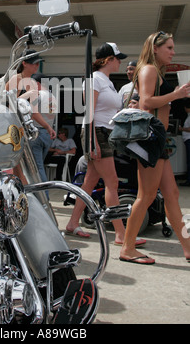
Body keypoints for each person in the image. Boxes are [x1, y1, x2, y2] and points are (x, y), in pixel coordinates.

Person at [120, 31, 190, 265]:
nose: (173, 52)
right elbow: (147, 101)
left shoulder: (154, 70)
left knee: (171, 194)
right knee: (147, 195)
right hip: (150, 139)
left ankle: (188, 248)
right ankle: (128, 249)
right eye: (169, 48)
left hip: (158, 140)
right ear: (156, 48)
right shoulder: (149, 69)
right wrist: (177, 94)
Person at [65, 42, 139, 241]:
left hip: (104, 133)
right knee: (112, 182)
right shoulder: (95, 79)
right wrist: (92, 142)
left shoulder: (106, 81)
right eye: (118, 58)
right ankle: (121, 234)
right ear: (108, 60)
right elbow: (89, 111)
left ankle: (72, 224)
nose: (120, 62)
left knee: (90, 181)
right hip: (96, 132)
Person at [5, 50, 56, 183]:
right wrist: (25, 96)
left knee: (26, 169)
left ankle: (31, 198)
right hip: (11, 127)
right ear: (24, 64)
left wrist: (47, 127)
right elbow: (8, 106)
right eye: (34, 63)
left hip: (22, 129)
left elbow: (33, 111)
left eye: (38, 63)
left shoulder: (32, 83)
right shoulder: (16, 79)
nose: (36, 66)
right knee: (20, 168)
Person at [28, 73, 57, 182]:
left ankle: (44, 196)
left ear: (38, 83)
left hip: (37, 133)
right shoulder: (52, 97)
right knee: (40, 167)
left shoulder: (37, 95)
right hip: (47, 135)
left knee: (37, 169)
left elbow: (34, 114)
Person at [180, 99, 190, 186]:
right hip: (187, 140)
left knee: (189, 160)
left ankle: (189, 180)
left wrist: (181, 129)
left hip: (189, 139)